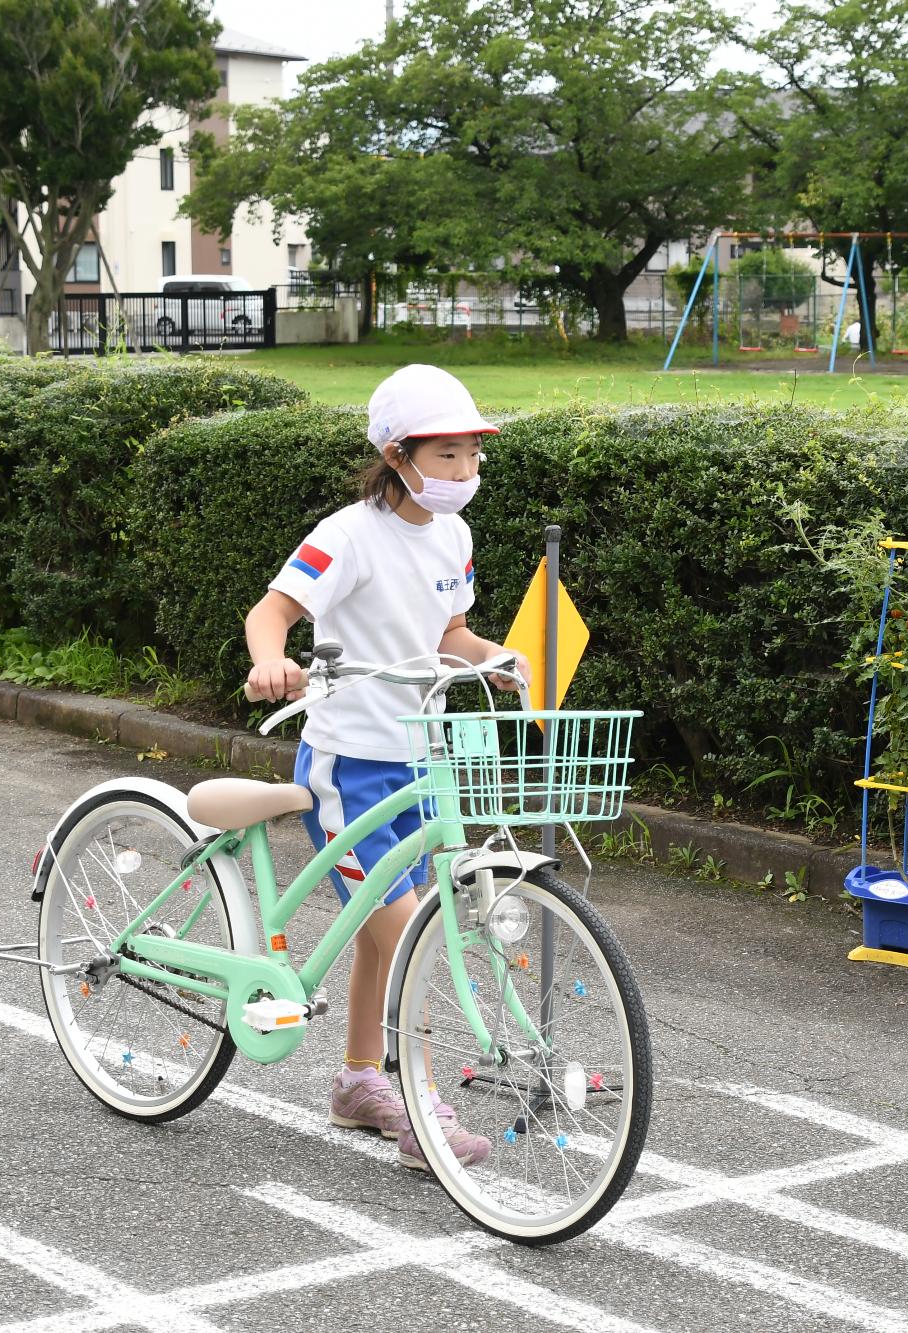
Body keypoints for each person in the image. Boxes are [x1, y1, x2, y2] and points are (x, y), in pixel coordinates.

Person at [243, 363, 522, 1170]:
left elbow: (449, 635)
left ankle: (359, 1079)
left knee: (386, 935)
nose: (465, 474)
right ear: (397, 456)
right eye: (448, 457)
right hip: (349, 765)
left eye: (473, 456)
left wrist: (497, 657)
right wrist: (272, 662)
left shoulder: (455, 535)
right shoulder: (347, 533)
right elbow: (274, 612)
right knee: (410, 935)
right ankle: (420, 1106)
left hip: (419, 762)